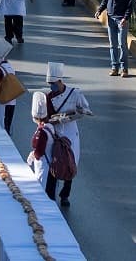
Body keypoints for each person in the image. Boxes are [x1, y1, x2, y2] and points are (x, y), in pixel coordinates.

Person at [30, 62, 93, 208]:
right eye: (49, 84)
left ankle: (65, 194)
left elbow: (86, 110)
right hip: (55, 132)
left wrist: (72, 116)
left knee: (69, 162)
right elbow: (45, 116)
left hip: (70, 133)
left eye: (53, 83)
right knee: (55, 161)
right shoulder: (48, 97)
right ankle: (51, 192)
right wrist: (54, 120)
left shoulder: (75, 94)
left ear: (59, 81)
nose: (51, 86)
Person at [94, 0, 132, 77]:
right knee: (113, 45)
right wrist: (99, 10)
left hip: (121, 19)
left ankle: (124, 68)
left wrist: (126, 18)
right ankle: (114, 67)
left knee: (122, 44)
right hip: (111, 18)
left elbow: (130, 4)